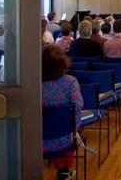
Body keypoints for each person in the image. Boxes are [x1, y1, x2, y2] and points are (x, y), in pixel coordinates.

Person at [42, 45, 83, 180]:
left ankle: (62, 168)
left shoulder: (33, 84)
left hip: (36, 139)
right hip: (66, 138)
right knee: (67, 129)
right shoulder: (70, 82)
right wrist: (75, 128)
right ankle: (64, 169)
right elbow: (77, 108)